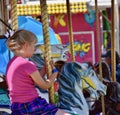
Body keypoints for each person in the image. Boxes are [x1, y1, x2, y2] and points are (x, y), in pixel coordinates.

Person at [6, 29, 70, 115]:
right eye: (33, 46)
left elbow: (33, 80)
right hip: (31, 104)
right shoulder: (27, 64)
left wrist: (45, 68)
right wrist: (54, 73)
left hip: (17, 107)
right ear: (26, 45)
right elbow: (44, 85)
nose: (34, 49)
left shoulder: (11, 63)